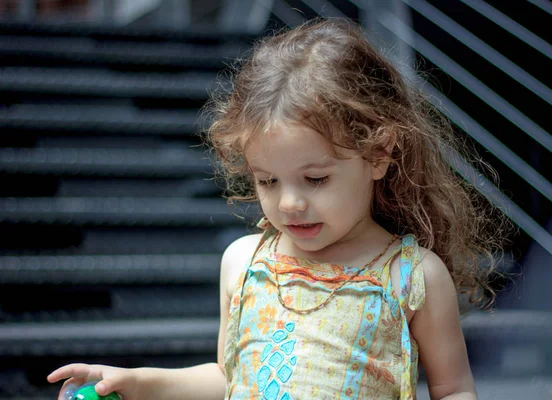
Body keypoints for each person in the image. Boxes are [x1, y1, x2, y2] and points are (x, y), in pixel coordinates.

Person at [47, 18, 508, 400]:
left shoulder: (411, 276)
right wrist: (137, 382)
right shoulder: (244, 263)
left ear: (379, 155)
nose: (289, 202)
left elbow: (452, 390)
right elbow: (230, 378)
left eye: (316, 179)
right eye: (267, 180)